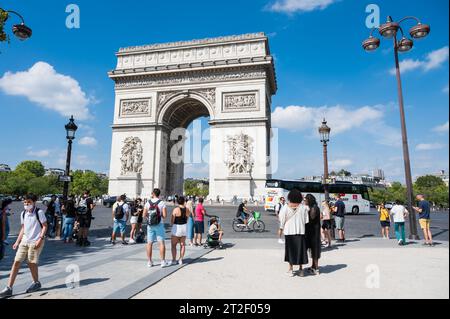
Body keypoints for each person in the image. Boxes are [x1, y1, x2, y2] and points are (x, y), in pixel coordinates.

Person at [0, 194, 48, 299]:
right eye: (25, 202)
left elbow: (45, 226)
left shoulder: (39, 212)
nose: (26, 204)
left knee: (31, 263)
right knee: (16, 262)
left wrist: (40, 238)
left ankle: (36, 282)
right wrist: (17, 241)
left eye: (29, 202)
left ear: (34, 202)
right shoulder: (23, 213)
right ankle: (9, 288)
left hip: (35, 241)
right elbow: (23, 228)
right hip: (24, 240)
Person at [278, 189, 310, 277]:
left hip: (289, 232)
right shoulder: (303, 208)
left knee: (290, 251)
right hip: (300, 231)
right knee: (301, 251)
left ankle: (290, 269)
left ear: (290, 197)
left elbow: (281, 220)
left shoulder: (285, 207)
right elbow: (306, 221)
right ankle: (300, 270)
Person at [144, 188, 168, 268]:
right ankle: (162, 261)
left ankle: (149, 261)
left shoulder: (148, 202)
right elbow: (164, 216)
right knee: (161, 243)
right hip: (159, 224)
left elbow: (144, 215)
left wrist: (149, 217)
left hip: (150, 225)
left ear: (153, 194)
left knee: (149, 243)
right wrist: (159, 215)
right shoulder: (162, 203)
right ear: (159, 194)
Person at [170, 196, 191, 265]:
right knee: (182, 245)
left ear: (177, 202)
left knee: (173, 245)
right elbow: (187, 219)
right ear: (184, 201)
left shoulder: (175, 209)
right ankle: (181, 259)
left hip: (177, 227)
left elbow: (172, 221)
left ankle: (174, 260)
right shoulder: (187, 209)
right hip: (184, 227)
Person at [305, 194, 321, 275]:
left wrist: (306, 211)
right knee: (312, 250)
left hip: (314, 232)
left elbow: (312, 217)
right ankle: (313, 266)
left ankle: (316, 269)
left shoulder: (314, 207)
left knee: (315, 250)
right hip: (312, 231)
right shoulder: (313, 206)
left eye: (306, 200)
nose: (305, 201)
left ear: (309, 200)